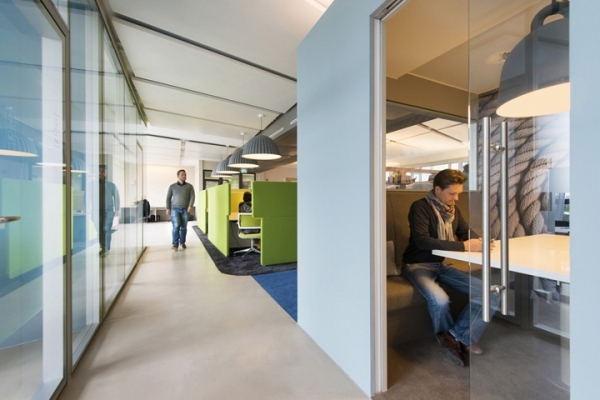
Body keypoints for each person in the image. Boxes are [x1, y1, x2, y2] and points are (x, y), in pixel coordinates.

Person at [401, 168, 499, 367]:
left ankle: (457, 336)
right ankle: (449, 339)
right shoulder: (419, 207)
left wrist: (480, 241)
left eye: (458, 194)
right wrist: (465, 246)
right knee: (440, 300)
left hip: (441, 265)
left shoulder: (453, 210)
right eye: (452, 193)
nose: (456, 198)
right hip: (416, 265)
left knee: (491, 293)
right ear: (437, 190)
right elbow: (422, 241)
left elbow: (464, 232)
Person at [166, 169, 195, 250]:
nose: (184, 176)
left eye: (185, 175)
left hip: (185, 209)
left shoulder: (189, 186)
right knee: (176, 226)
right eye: (182, 175)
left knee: (183, 227)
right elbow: (168, 198)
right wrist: (168, 208)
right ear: (178, 176)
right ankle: (175, 243)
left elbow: (192, 196)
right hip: (174, 209)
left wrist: (190, 205)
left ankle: (182, 242)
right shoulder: (172, 186)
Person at [99, 165, 120, 257]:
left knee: (106, 229)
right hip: (97, 210)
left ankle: (106, 248)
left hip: (108, 210)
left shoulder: (111, 185)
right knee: (100, 230)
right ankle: (103, 247)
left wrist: (117, 208)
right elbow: (86, 196)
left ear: (106, 173)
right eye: (99, 171)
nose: (101, 173)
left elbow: (116, 197)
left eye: (103, 171)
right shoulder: (93, 184)